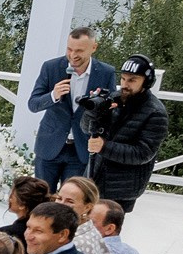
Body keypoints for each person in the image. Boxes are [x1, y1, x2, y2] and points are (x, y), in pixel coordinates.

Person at [25, 25, 117, 187]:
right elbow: (33, 104)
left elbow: (111, 112)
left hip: (80, 149)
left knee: (71, 204)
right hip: (49, 146)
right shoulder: (51, 67)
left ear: (93, 48)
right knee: (42, 200)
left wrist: (100, 106)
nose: (73, 55)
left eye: (79, 51)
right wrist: (53, 95)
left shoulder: (106, 72)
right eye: (69, 49)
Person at [87, 53, 167, 209]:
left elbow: (143, 153)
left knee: (108, 231)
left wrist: (104, 147)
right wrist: (93, 112)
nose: (125, 84)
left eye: (132, 80)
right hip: (95, 181)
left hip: (122, 189)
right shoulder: (114, 98)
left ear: (146, 83)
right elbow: (86, 128)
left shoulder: (156, 112)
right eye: (123, 78)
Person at [0, 177, 52, 247]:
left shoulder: (5, 234)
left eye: (12, 196)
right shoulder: (49, 232)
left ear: (22, 205)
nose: (9, 199)